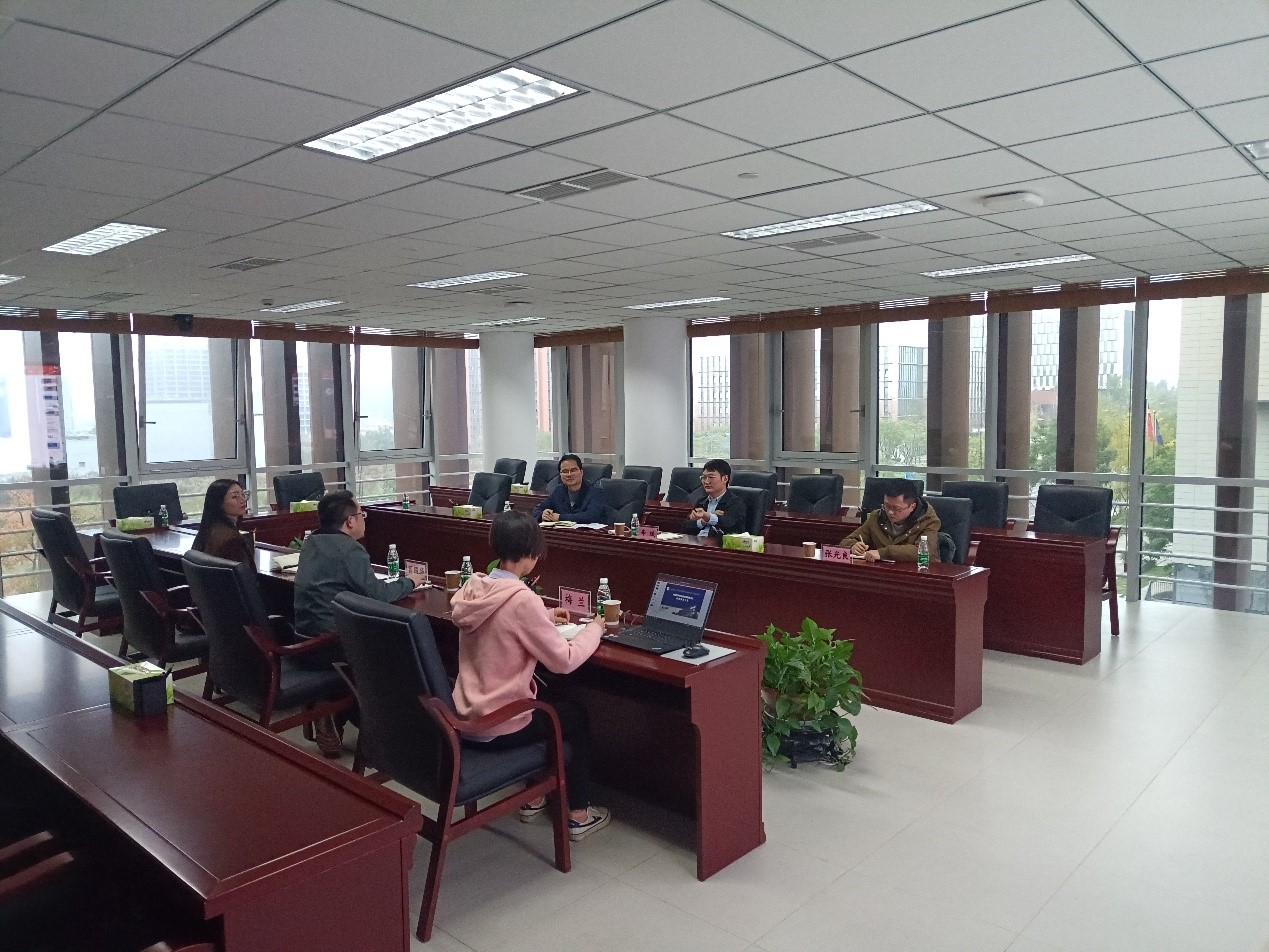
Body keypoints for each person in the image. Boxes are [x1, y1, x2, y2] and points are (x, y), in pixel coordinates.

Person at [450, 510, 610, 841]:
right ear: (531, 552)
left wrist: (544, 615)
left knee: (548, 699)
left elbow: (503, 620)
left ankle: (535, 796)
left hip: (465, 716)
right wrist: (595, 628)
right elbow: (565, 661)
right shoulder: (522, 601)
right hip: (499, 725)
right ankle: (578, 813)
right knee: (574, 715)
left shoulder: (475, 586)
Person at [294, 490, 416, 756]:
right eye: (362, 515)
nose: (363, 520)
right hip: (333, 645)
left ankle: (328, 709)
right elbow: (378, 594)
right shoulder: (350, 550)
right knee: (399, 648)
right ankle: (389, 731)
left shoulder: (312, 542)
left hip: (304, 639)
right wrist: (410, 582)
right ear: (350, 521)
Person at [841, 478, 941, 562]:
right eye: (887, 506)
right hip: (883, 571)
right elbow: (846, 541)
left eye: (896, 508)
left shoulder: (928, 521)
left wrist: (883, 553)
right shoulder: (876, 517)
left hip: (919, 573)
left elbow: (923, 552)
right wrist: (853, 546)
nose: (890, 512)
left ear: (912, 506)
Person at [190, 478, 253, 565]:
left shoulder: (210, 529)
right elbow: (244, 571)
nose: (243, 500)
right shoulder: (230, 539)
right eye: (235, 497)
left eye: (243, 494)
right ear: (219, 503)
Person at [682, 458, 747, 538]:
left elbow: (727, 523)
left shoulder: (736, 502)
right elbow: (686, 526)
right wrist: (704, 520)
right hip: (698, 542)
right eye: (704, 477)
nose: (706, 481)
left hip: (720, 544)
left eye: (711, 477)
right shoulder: (701, 501)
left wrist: (707, 516)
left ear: (725, 479)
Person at [532, 454, 607, 524]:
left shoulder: (595, 490)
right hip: (564, 531)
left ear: (581, 472)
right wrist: (543, 515)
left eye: (573, 470)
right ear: (560, 475)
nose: (569, 474)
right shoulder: (559, 490)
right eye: (565, 471)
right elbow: (537, 509)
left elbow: (590, 516)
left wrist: (560, 517)